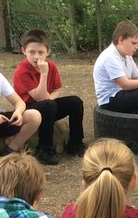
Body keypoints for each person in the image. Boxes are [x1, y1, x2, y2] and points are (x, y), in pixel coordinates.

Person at [13, 29, 87, 165]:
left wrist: (50, 98)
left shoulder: (51, 66)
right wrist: (43, 74)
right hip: (29, 110)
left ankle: (75, 144)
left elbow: (57, 89)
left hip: (47, 105)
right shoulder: (22, 71)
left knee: (75, 102)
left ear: (48, 52)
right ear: (24, 50)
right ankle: (44, 148)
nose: (36, 57)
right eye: (32, 52)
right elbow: (39, 97)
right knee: (48, 105)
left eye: (41, 52)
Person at [91, 21, 138, 115]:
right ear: (120, 40)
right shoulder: (110, 57)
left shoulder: (127, 56)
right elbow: (126, 85)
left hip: (122, 94)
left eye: (137, 43)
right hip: (111, 99)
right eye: (133, 43)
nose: (137, 47)